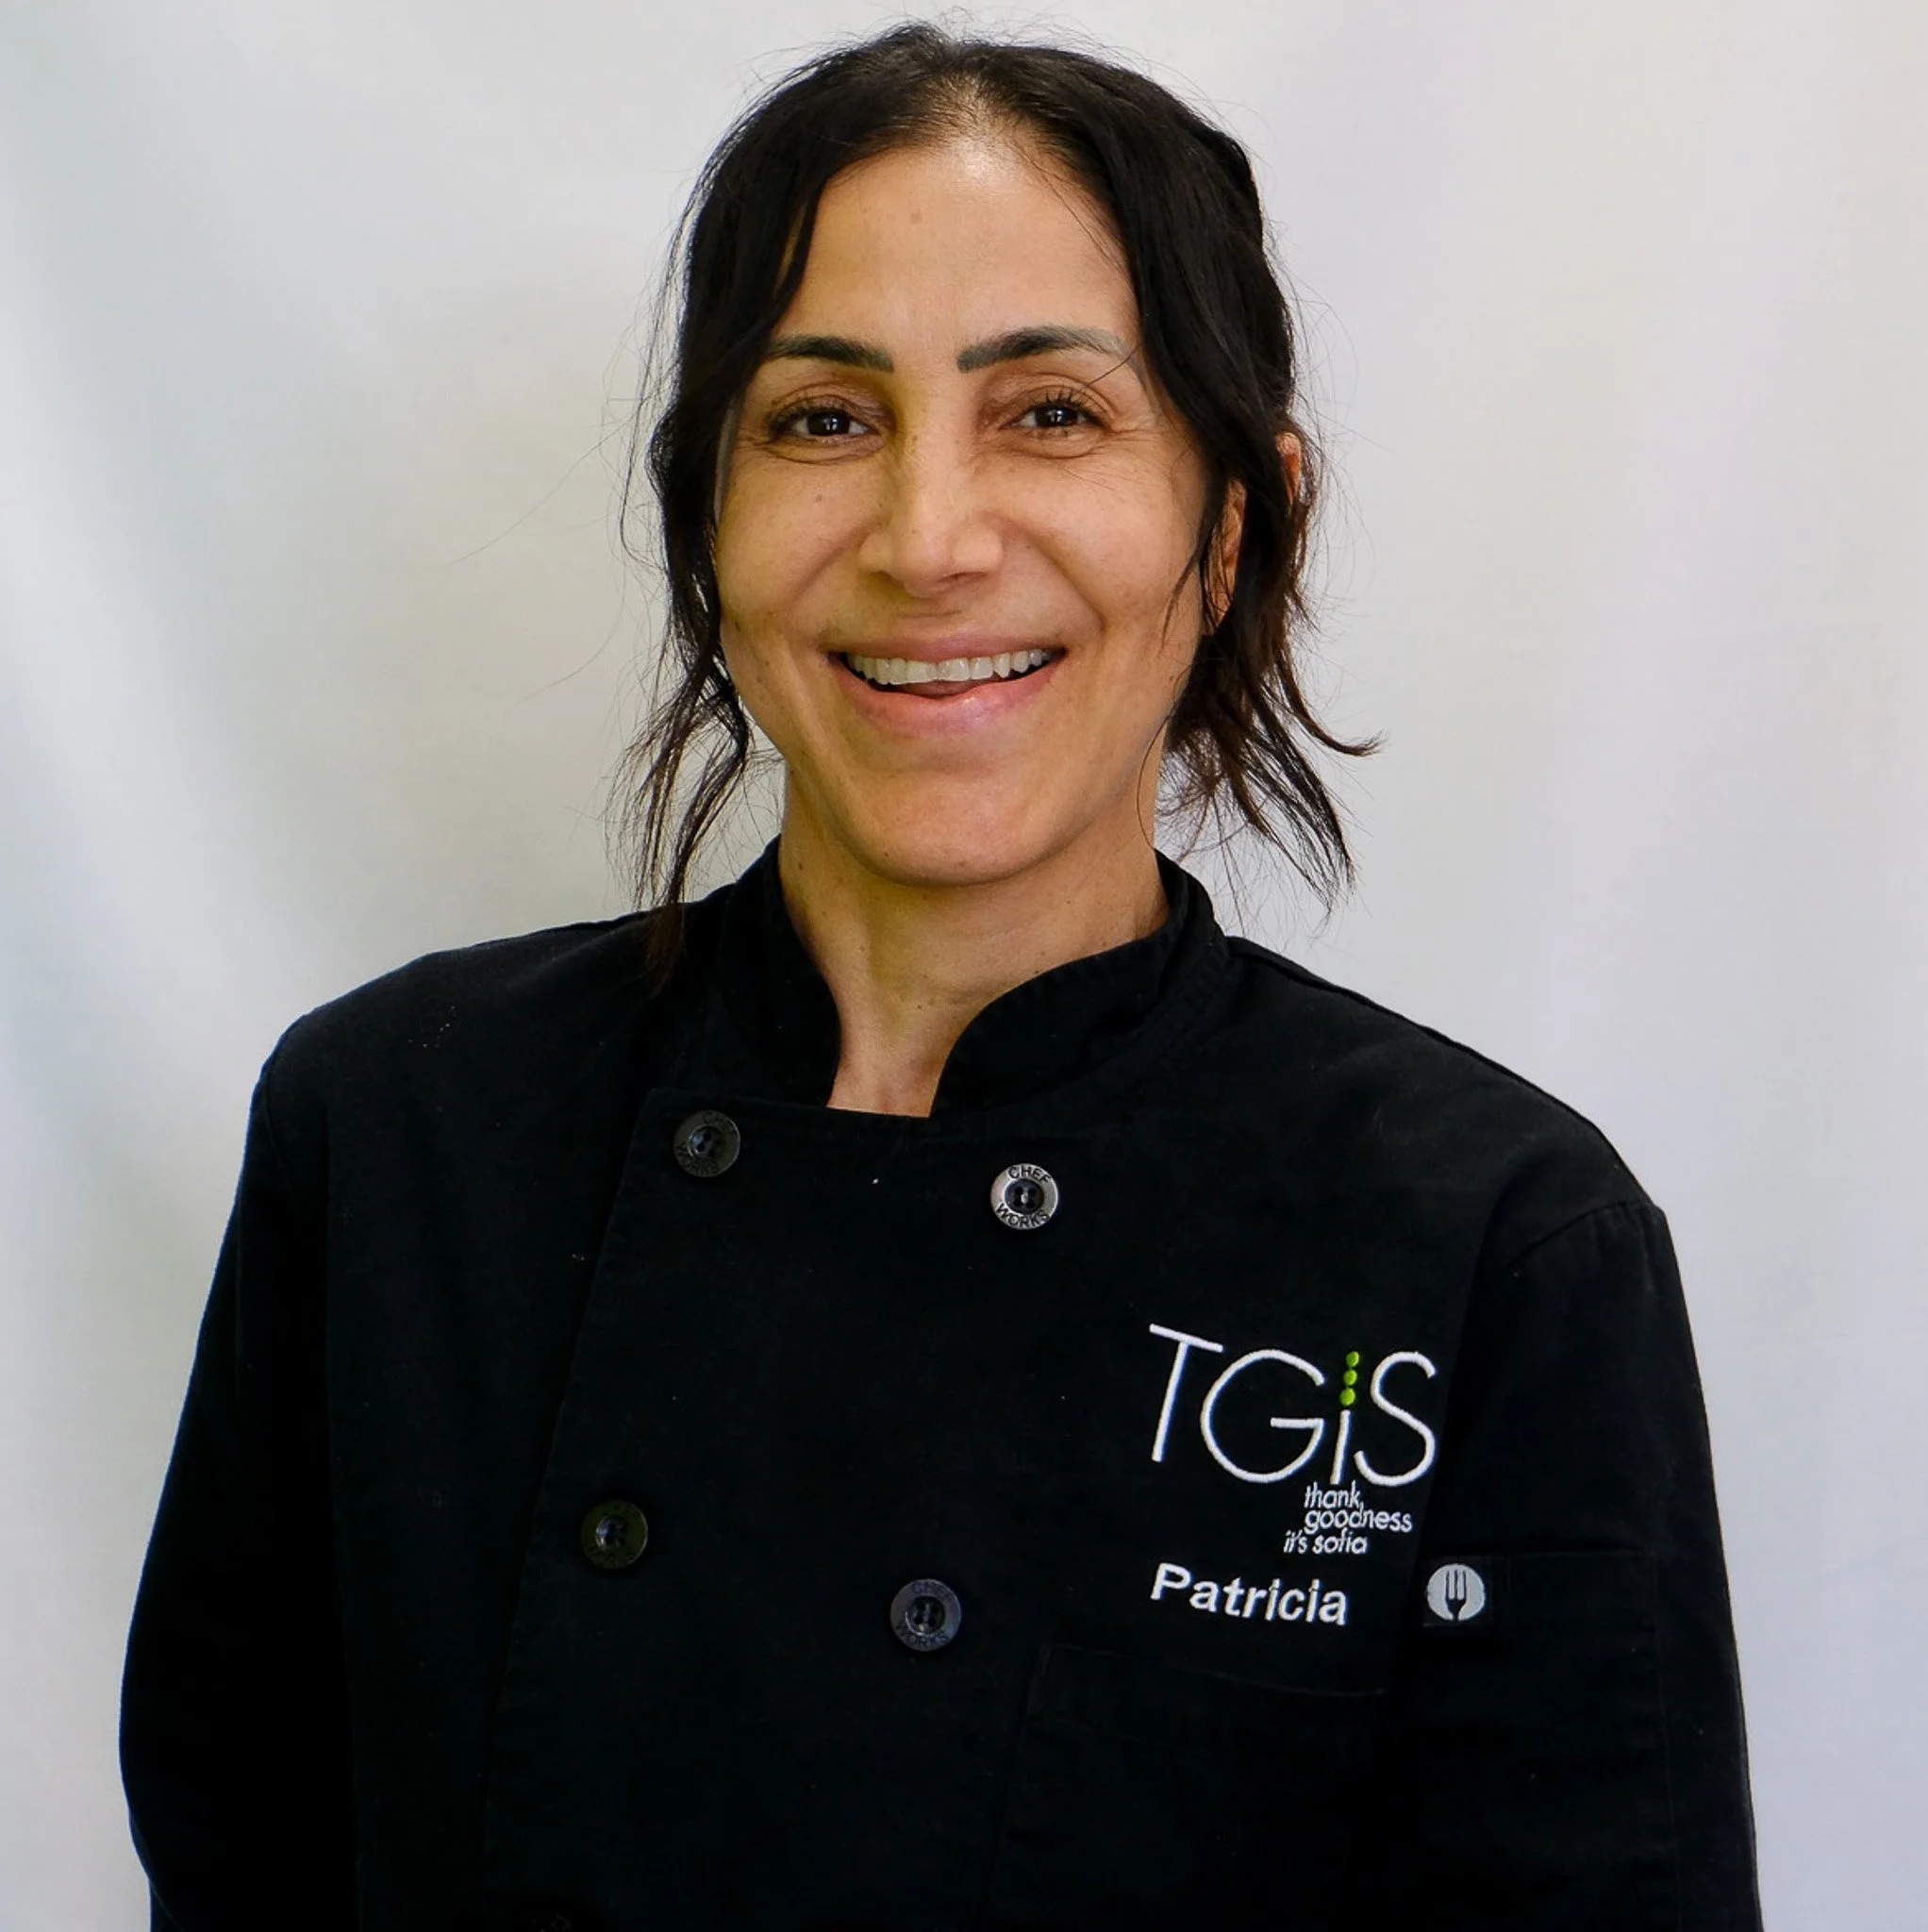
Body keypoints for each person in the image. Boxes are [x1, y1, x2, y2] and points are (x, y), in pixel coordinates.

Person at [120, 25, 1761, 1931]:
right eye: (822, 420)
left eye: (1050, 412)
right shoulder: (399, 1130)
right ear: (704, 522)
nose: (927, 539)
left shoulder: (1486, 1243)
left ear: (1238, 520)